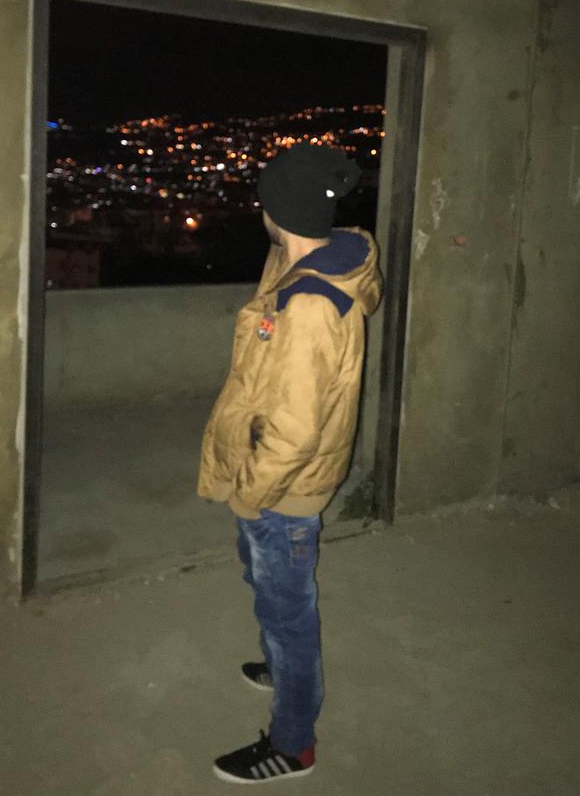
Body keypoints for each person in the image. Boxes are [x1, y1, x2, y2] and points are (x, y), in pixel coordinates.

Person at [197, 141, 384, 784]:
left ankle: (294, 743)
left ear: (278, 209)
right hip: (276, 478)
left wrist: (251, 491)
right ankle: (280, 665)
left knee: (288, 612)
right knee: (268, 582)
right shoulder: (303, 263)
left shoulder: (308, 305)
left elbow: (294, 430)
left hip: (284, 487)